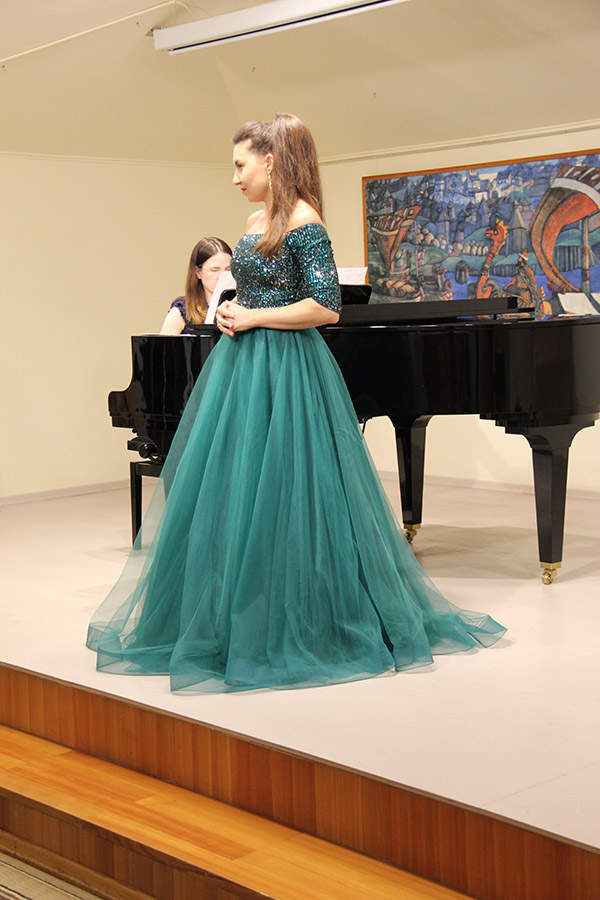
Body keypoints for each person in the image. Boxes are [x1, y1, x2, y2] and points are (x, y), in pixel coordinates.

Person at [87, 114, 505, 692]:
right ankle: (226, 620)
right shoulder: (256, 220)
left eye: (241, 165)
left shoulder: (306, 222)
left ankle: (296, 620)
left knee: (289, 488)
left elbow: (325, 305)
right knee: (235, 488)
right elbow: (254, 290)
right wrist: (232, 310)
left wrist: (253, 316)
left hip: (289, 370)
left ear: (270, 161)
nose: (235, 177)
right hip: (241, 367)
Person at [160, 237, 232, 334]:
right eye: (214, 270)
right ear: (198, 272)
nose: (222, 276)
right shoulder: (181, 312)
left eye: (228, 270)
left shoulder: (240, 308)